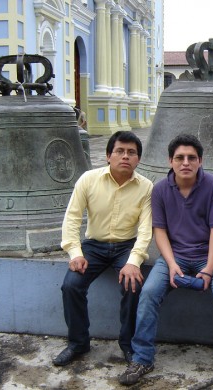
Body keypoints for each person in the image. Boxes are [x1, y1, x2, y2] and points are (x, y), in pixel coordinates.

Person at [120, 134, 213, 390]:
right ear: (170, 161)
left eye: (192, 158)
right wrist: (171, 264)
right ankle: (142, 358)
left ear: (200, 161)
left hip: (210, 255)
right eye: (179, 157)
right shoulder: (159, 189)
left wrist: (209, 269)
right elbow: (159, 230)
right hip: (176, 255)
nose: (186, 162)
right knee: (148, 293)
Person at [53, 131, 153, 367]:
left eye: (131, 152)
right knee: (71, 285)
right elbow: (72, 218)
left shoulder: (146, 187)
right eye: (119, 151)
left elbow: (146, 229)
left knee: (134, 285)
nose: (125, 157)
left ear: (138, 159)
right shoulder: (88, 179)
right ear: (108, 155)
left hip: (125, 247)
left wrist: (134, 261)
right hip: (93, 246)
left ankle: (128, 344)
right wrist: (75, 253)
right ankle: (78, 343)